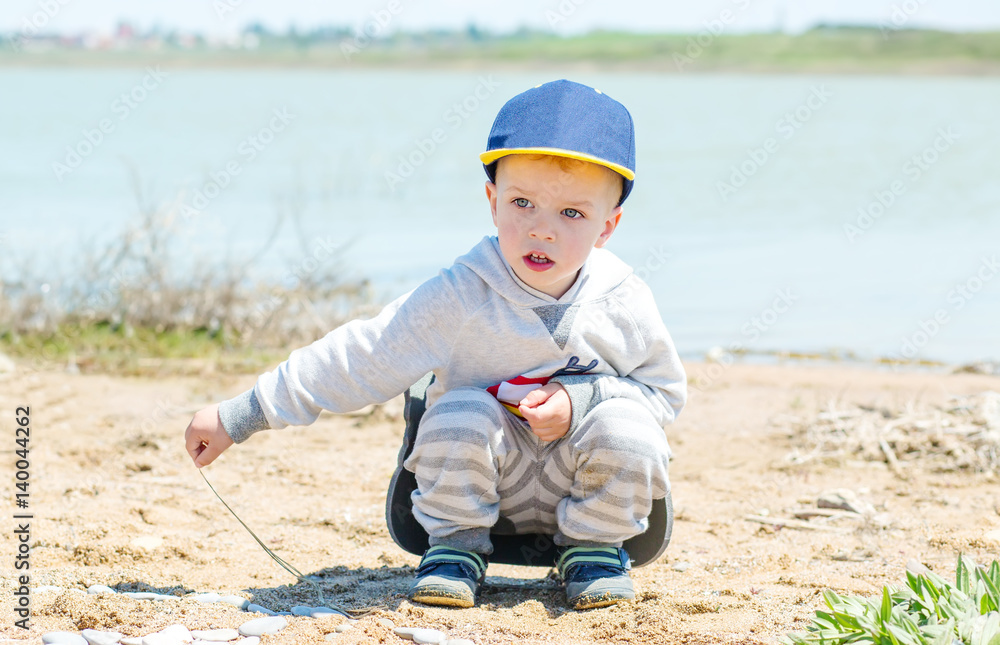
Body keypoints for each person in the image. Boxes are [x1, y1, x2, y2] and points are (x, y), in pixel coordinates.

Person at [184, 79, 687, 611]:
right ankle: (456, 551)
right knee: (460, 409)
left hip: (585, 488)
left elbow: (664, 395)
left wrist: (581, 401)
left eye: (572, 214)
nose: (542, 231)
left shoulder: (623, 300)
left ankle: (594, 551)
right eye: (523, 204)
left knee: (627, 424)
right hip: (478, 486)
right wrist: (241, 415)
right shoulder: (462, 293)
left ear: (608, 226)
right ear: (492, 201)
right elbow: (364, 356)